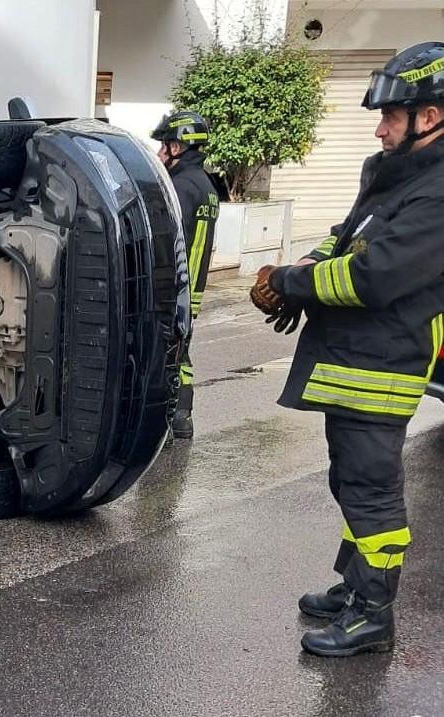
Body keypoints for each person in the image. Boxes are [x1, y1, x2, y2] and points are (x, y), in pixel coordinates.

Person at [250, 42, 444, 656]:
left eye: (392, 116)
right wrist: (313, 260)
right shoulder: (396, 174)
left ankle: (373, 614)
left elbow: (373, 275)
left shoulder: (439, 192)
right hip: (357, 357)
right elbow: (352, 238)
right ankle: (354, 586)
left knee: (371, 486)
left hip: (385, 362)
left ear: (431, 117)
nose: (380, 129)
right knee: (350, 480)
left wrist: (290, 282)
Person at [151, 110, 221, 439]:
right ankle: (182, 417)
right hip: (194, 288)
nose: (159, 153)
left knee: (164, 355)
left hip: (175, 287)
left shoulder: (178, 186)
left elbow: (166, 240)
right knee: (182, 352)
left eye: (164, 146)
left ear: (177, 148)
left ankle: (165, 422)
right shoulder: (206, 186)